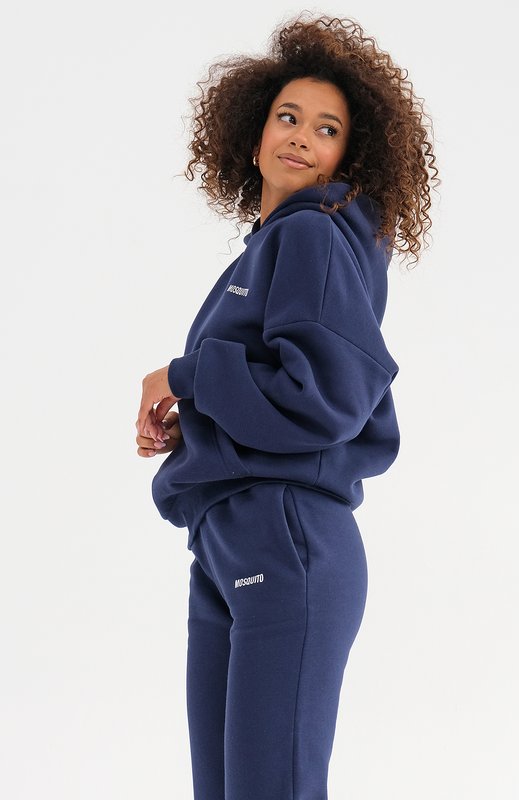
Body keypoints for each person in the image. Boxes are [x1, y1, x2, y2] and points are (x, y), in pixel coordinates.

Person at [135, 12, 439, 800]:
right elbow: (277, 390)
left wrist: (185, 375)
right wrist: (195, 422)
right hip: (229, 540)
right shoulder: (270, 247)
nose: (303, 137)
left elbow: (325, 399)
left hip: (285, 537)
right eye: (288, 117)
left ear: (349, 156)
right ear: (254, 136)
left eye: (327, 129)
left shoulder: (314, 237)